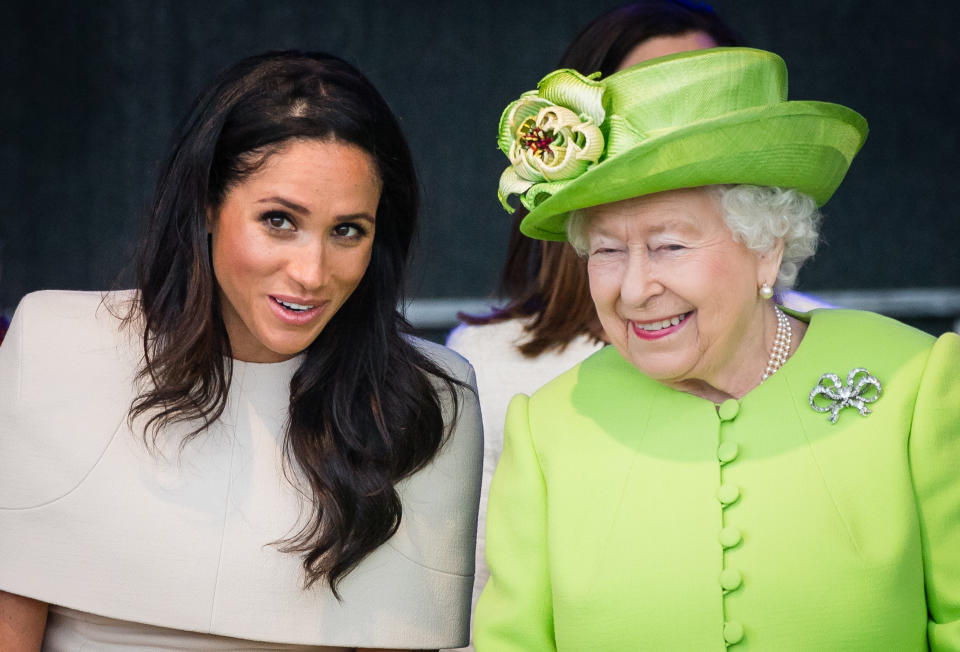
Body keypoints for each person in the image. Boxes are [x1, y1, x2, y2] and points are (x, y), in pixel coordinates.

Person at [474, 47, 960, 650]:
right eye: (607, 250)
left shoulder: (917, 381)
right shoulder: (547, 427)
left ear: (767, 248)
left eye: (670, 246)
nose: (634, 288)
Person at [0, 51, 482, 651]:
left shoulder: (422, 399)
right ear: (207, 202)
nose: (311, 272)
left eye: (347, 231)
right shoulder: (56, 344)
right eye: (280, 220)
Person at [447, 0, 749, 624]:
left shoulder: (827, 347)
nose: (687, 142)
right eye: (656, 110)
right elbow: (477, 608)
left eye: (709, 108)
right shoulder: (493, 366)